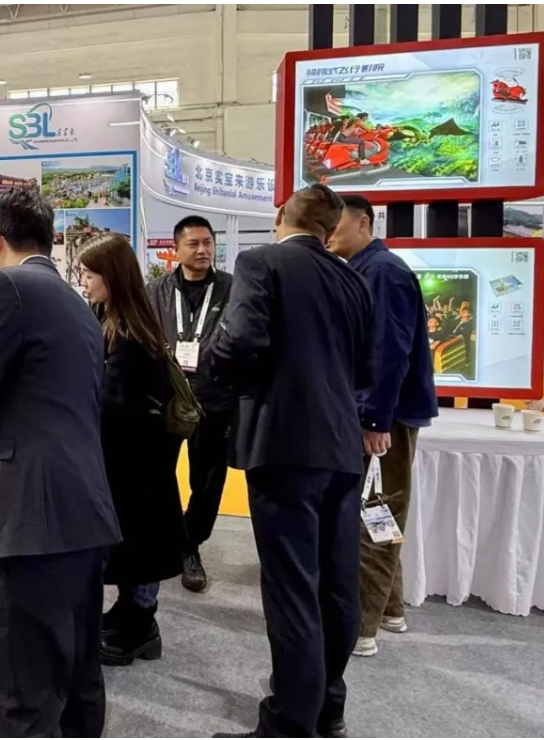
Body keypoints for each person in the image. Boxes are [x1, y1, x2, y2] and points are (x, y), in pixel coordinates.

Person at [0, 187, 121, 738]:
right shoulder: (77, 302)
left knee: (24, 688)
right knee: (78, 671)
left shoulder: (7, 286)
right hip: (84, 507)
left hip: (29, 515)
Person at [210, 184, 374, 739]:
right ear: (330, 229)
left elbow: (238, 343)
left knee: (292, 587)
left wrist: (219, 373)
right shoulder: (353, 278)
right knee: (336, 582)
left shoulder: (261, 261)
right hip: (342, 445)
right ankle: (327, 706)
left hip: (283, 443)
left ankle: (289, 721)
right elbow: (366, 366)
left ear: (281, 215)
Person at [327, 194, 438, 658]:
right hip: (381, 412)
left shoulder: (383, 273)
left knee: (376, 511)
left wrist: (375, 418)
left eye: (336, 225)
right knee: (379, 509)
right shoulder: (364, 269)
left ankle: (362, 626)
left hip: (386, 417)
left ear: (363, 223)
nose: (328, 233)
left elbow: (390, 353)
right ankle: (390, 609)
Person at [78, 233, 185, 667]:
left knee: (140, 549)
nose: (84, 282)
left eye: (89, 274)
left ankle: (142, 626)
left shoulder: (129, 333)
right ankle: (129, 613)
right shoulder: (116, 320)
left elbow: (115, 405)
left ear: (112, 276)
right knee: (132, 547)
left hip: (136, 464)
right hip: (132, 462)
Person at [146, 215, 234, 593]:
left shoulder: (233, 288)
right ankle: (163, 538)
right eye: (193, 244)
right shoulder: (156, 291)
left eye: (207, 243)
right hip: (167, 398)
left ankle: (191, 545)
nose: (202, 250)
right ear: (176, 249)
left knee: (208, 481)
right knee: (157, 474)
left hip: (215, 399)